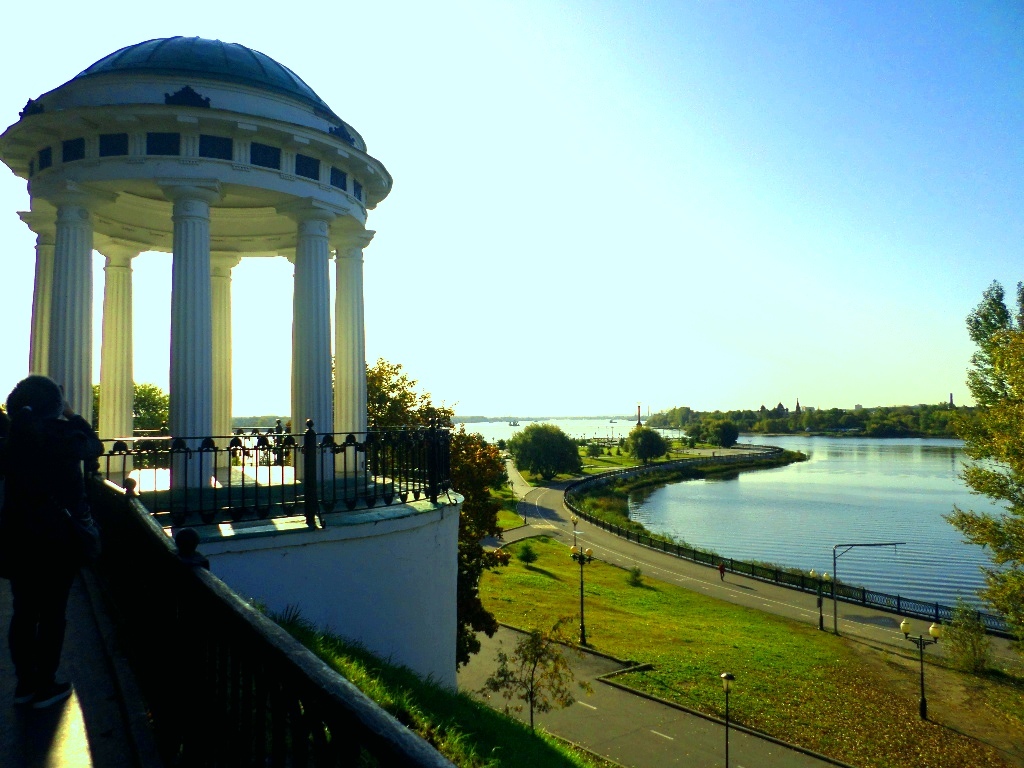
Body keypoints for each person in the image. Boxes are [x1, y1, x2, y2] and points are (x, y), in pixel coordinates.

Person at [0, 375, 103, 708]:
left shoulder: (12, 439)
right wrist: (72, 415)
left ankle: (25, 684)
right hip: (57, 541)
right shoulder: (63, 436)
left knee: (24, 613)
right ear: (55, 407)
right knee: (53, 614)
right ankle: (45, 684)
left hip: (18, 540)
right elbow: (94, 446)